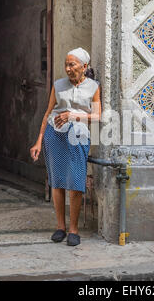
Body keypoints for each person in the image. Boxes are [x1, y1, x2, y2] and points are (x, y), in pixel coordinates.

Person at [30, 48, 101, 246]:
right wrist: (38, 141)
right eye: (66, 65)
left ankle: (74, 229)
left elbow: (97, 116)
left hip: (78, 137)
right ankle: (60, 227)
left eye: (72, 65)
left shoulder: (93, 87)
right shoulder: (58, 85)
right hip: (55, 136)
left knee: (76, 182)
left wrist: (73, 116)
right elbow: (47, 113)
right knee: (58, 181)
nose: (68, 69)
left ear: (84, 67)